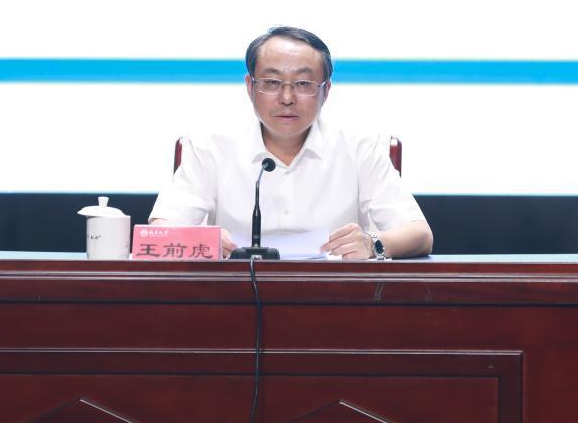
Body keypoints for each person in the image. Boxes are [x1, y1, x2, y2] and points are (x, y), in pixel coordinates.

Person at [149, 26, 432, 259]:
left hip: (337, 297)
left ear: (326, 91)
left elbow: (419, 235)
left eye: (303, 84)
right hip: (231, 298)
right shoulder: (210, 146)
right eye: (271, 83)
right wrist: (200, 240)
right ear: (250, 87)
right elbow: (160, 231)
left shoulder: (360, 147)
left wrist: (372, 244)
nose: (287, 98)